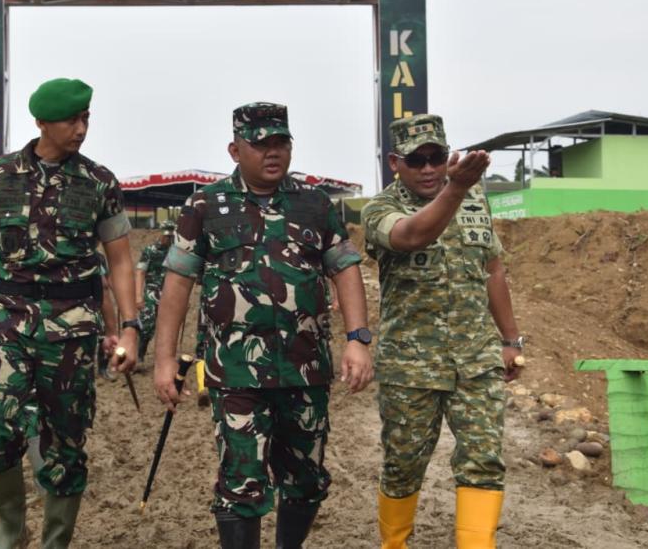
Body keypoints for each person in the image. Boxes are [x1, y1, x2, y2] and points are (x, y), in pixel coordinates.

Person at [0, 77, 139, 549]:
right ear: (41, 122)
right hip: (7, 316)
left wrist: (129, 328)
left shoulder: (99, 182)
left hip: (73, 324)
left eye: (85, 119)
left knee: (66, 441)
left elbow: (120, 260)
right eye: (70, 120)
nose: (80, 129)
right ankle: (10, 530)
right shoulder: (0, 176)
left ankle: (55, 541)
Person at [153, 102, 374, 549]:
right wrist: (164, 359)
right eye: (261, 144)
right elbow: (177, 284)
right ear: (235, 150)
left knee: (306, 478)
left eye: (281, 143)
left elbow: (345, 269)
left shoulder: (314, 204)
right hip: (235, 372)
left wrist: (358, 339)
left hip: (305, 369)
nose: (273, 153)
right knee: (241, 485)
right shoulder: (205, 205)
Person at [360, 114, 523, 548]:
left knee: (484, 461)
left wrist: (510, 340)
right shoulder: (380, 208)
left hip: (475, 358)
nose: (429, 168)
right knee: (403, 464)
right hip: (411, 367)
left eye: (436, 157)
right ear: (397, 162)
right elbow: (411, 236)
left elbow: (492, 268)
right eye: (418, 160)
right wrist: (456, 187)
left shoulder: (474, 201)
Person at [134, 220, 175, 365]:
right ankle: (139, 353)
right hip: (151, 292)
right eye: (166, 236)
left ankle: (163, 358)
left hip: (169, 294)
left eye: (171, 236)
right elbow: (140, 272)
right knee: (146, 326)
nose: (168, 239)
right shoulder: (150, 251)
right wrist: (138, 296)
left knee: (167, 328)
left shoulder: (174, 252)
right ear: (159, 233)